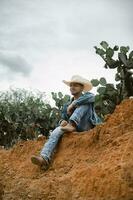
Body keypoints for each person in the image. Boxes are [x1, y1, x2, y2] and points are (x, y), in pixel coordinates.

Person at [31, 75, 101, 170]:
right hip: (74, 128)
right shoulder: (66, 105)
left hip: (87, 125)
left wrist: (74, 104)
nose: (72, 87)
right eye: (71, 85)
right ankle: (44, 158)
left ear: (81, 88)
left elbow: (92, 97)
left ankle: (72, 124)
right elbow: (63, 118)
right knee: (57, 130)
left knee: (83, 104)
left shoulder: (87, 97)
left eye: (75, 85)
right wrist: (62, 122)